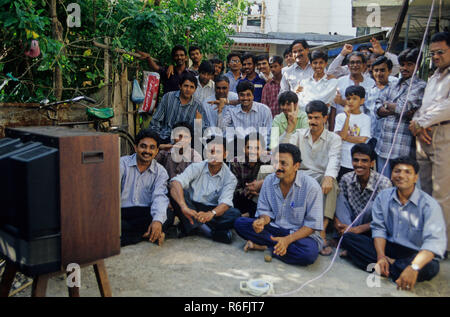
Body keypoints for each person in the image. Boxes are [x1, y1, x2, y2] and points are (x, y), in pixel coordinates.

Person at [341, 157, 447, 291]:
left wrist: (413, 267)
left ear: (416, 178)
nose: (401, 175)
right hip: (388, 247)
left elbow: (433, 244)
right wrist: (381, 256)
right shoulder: (383, 197)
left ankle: (392, 267)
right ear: (391, 175)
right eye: (397, 171)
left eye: (407, 172)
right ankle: (392, 268)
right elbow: (379, 228)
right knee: (348, 238)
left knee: (431, 267)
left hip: (414, 253)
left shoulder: (429, 205)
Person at [234, 143, 324, 265]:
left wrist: (287, 240)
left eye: (283, 163)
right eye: (275, 162)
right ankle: (277, 247)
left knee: (308, 254)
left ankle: (266, 247)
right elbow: (265, 212)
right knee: (240, 224)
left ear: (296, 166)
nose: (278, 167)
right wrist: (262, 221)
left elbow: (312, 225)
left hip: (299, 235)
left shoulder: (311, 187)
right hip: (274, 228)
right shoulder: (269, 181)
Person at [281, 100, 341, 256]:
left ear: (325, 119)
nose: (313, 122)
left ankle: (321, 230)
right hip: (299, 173)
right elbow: (283, 152)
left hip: (320, 176)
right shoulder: (300, 134)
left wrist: (329, 176)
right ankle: (264, 217)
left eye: (317, 118)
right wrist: (291, 127)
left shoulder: (334, 138)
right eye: (310, 118)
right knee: (266, 171)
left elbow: (334, 159)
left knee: (332, 183)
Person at [410, 31, 450, 254]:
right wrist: (417, 123)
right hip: (423, 137)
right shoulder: (434, 76)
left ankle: (438, 247)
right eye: (432, 53)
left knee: (442, 194)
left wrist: (420, 123)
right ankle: (425, 238)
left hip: (444, 135)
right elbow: (426, 107)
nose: (435, 57)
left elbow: (446, 107)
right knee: (423, 191)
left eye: (440, 52)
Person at [170, 136, 240, 244]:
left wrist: (211, 213)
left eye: (218, 152)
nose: (214, 155)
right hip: (192, 207)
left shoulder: (230, 178)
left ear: (225, 154)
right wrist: (184, 207)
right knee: (176, 192)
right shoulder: (196, 167)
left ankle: (192, 226)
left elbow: (225, 203)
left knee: (234, 214)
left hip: (212, 209)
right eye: (210, 151)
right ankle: (209, 232)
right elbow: (176, 182)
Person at [375, 48, 426, 178]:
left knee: (401, 187)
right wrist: (393, 108)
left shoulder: (420, 86)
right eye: (402, 64)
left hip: (402, 148)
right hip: (383, 146)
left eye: (409, 64)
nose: (404, 68)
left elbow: (404, 108)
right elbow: (377, 107)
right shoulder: (393, 84)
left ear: (417, 66)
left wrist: (388, 106)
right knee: (383, 186)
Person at [120, 129, 173, 247]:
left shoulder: (160, 172)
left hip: (145, 212)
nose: (147, 151)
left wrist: (157, 221)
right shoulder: (122, 164)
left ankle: (132, 236)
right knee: (113, 224)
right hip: (122, 212)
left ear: (157, 151)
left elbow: (159, 196)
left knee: (167, 215)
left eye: (152, 147)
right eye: (143, 146)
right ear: (135, 147)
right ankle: (147, 235)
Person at [335, 143, 392, 237]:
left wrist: (356, 229)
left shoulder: (383, 183)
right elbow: (340, 207)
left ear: (372, 163)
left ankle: (348, 237)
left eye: (364, 161)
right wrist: (337, 223)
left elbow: (384, 217)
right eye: (356, 160)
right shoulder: (346, 178)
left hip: (369, 227)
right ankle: (347, 235)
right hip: (349, 221)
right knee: (338, 196)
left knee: (372, 205)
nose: (359, 164)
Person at [149, 72, 209, 144]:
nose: (188, 89)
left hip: (185, 142)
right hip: (165, 137)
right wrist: (156, 140)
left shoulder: (198, 106)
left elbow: (204, 131)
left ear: (195, 89)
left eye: (191, 87)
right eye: (186, 86)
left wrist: (198, 123)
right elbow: (156, 121)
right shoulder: (168, 97)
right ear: (180, 86)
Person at [334, 86, 371, 180]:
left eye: (355, 99)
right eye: (348, 98)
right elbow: (340, 136)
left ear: (362, 101)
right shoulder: (340, 117)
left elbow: (362, 139)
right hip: (342, 160)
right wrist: (347, 117)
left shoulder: (366, 118)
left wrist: (345, 137)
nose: (350, 101)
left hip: (357, 162)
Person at [220, 81, 273, 146]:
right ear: (238, 96)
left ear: (253, 96)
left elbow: (268, 134)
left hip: (259, 150)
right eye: (242, 95)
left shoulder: (264, 110)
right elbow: (224, 132)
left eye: (248, 95)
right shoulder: (231, 112)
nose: (245, 98)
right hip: (239, 150)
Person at [230, 133, 266, 218]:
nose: (253, 151)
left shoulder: (268, 160)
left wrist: (259, 189)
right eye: (249, 147)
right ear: (243, 148)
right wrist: (248, 191)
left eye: (257, 148)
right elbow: (234, 188)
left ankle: (246, 216)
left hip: (261, 196)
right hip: (243, 197)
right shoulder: (236, 162)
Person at [364, 56, 398, 143]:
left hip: (390, 138)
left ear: (389, 71)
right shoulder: (368, 92)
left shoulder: (396, 89)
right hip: (370, 136)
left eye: (382, 70)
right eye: (376, 70)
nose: (379, 73)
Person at [327, 38, 400, 79]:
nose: (364, 56)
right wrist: (342, 54)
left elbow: (398, 66)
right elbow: (331, 72)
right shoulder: (349, 69)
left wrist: (383, 53)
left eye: (367, 54)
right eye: (361, 54)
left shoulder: (377, 72)